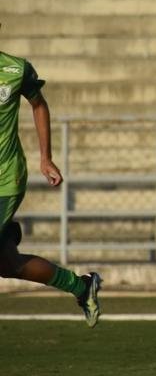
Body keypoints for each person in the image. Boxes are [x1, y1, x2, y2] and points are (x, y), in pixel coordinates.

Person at [0, 44, 101, 325]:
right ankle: (81, 287)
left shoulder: (16, 70)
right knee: (8, 264)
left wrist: (46, 158)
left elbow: (39, 104)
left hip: (5, 179)